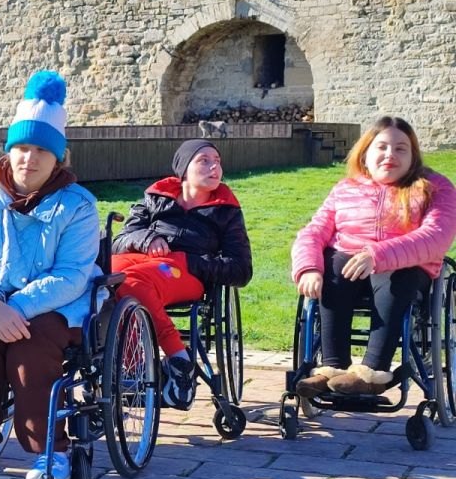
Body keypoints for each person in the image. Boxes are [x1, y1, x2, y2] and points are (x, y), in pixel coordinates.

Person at [0, 70, 101, 479]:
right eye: (21, 148)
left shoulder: (78, 207)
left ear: (58, 159)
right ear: (9, 150)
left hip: (56, 307)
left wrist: (15, 309)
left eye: (40, 151)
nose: (28, 159)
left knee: (30, 349)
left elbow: (71, 276)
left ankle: (50, 450)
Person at [292, 117, 456, 397]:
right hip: (349, 267)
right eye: (381, 147)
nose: (390, 154)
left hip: (405, 269)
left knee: (399, 277)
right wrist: (308, 267)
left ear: (413, 156)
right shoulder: (345, 189)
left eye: (401, 148)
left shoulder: (435, 187)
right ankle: (332, 367)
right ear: (365, 154)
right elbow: (313, 232)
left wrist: (378, 254)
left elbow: (436, 236)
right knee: (332, 266)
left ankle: (372, 372)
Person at [111, 140, 252, 410]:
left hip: (186, 273)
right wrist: (145, 238)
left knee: (132, 282)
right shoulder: (154, 199)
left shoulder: (227, 212)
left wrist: (188, 260)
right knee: (104, 272)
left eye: (218, 161)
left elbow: (240, 270)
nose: (215, 167)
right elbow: (121, 240)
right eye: (204, 160)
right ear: (184, 169)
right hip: (143, 259)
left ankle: (179, 359)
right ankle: (126, 364)